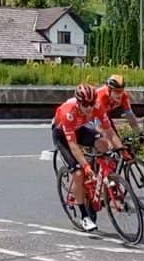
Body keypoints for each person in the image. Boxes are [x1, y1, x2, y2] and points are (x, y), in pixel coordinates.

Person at [52, 83, 124, 231]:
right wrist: (84, 166)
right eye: (85, 104)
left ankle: (97, 178)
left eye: (91, 103)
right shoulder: (68, 112)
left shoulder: (96, 107)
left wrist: (121, 149)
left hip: (79, 129)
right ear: (78, 103)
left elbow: (109, 131)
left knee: (103, 143)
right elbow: (73, 145)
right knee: (78, 172)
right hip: (62, 134)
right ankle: (84, 216)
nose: (89, 108)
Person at [94, 74, 144, 141]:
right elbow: (98, 125)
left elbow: (130, 116)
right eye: (116, 91)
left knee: (117, 142)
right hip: (89, 118)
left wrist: (138, 133)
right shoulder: (101, 98)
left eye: (121, 90)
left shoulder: (124, 96)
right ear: (109, 90)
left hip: (105, 116)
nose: (120, 94)